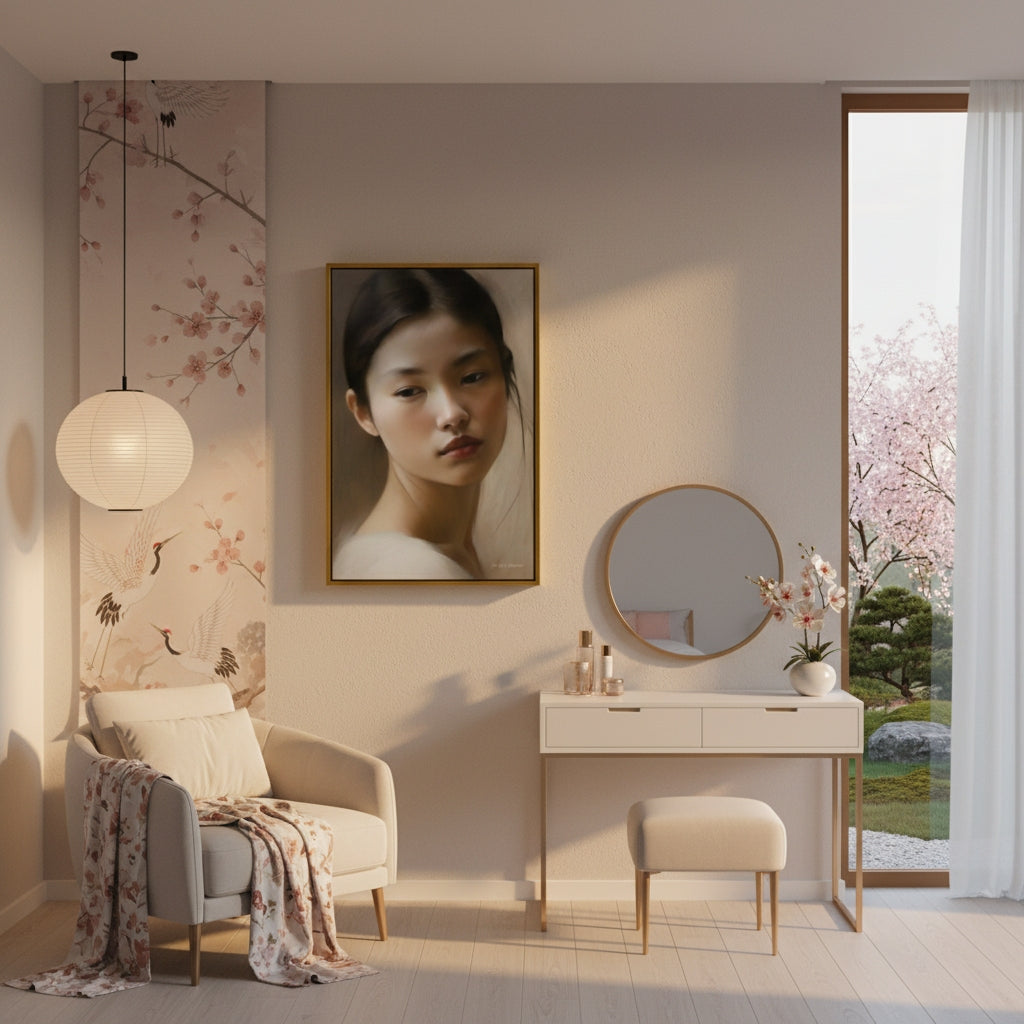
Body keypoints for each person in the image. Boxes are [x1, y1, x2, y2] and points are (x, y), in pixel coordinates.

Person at [333, 267, 525, 580]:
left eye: (472, 377)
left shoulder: (450, 553)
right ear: (363, 413)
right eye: (409, 391)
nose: (451, 414)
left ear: (504, 374)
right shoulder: (413, 569)